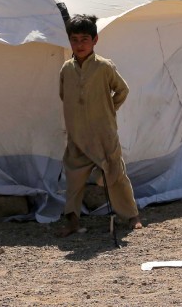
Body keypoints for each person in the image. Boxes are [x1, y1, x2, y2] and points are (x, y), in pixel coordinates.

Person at [56, 14, 142, 238]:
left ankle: (132, 216)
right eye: (74, 40)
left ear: (95, 40)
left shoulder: (104, 67)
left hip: (104, 134)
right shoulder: (66, 69)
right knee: (74, 180)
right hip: (77, 135)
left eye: (85, 39)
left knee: (115, 174)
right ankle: (72, 220)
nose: (79, 45)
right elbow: (64, 95)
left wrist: (108, 110)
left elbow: (122, 90)